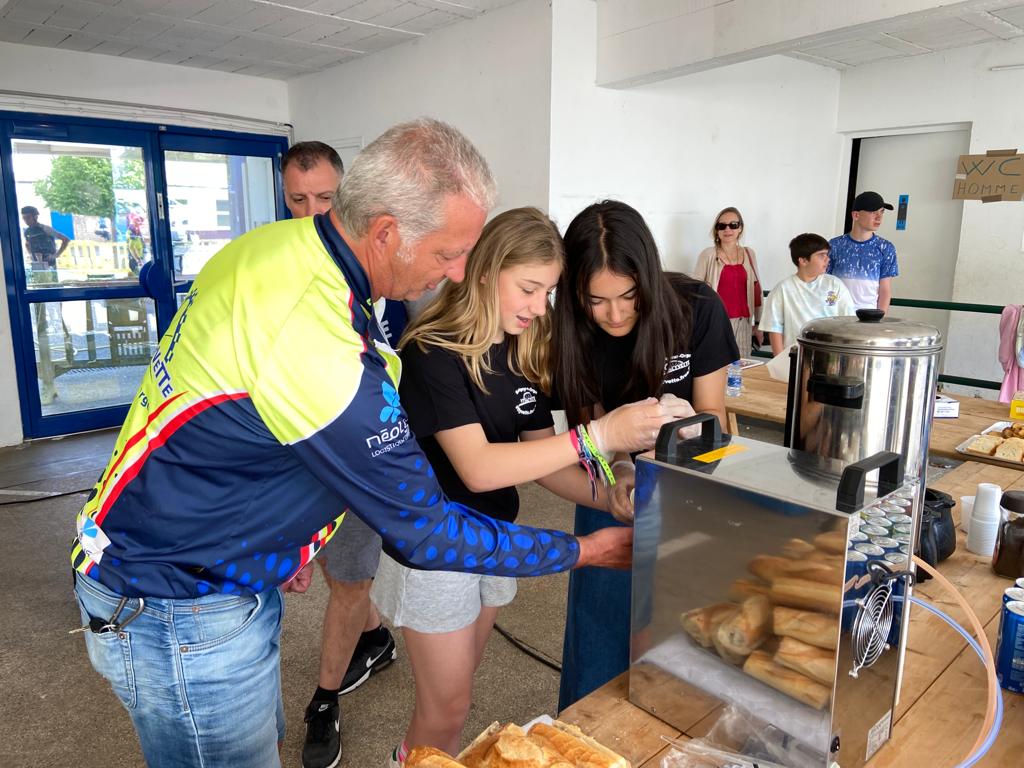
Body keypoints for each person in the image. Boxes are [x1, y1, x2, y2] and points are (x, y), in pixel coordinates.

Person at [70, 120, 671, 768]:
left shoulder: (277, 250)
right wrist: (583, 548)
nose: (459, 271)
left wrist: (291, 533)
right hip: (178, 598)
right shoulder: (321, 340)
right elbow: (428, 530)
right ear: (385, 232)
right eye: (449, 253)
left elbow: (251, 416)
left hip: (213, 567)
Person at [372, 207, 686, 767]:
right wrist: (600, 434)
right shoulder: (433, 352)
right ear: (485, 271)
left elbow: (542, 462)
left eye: (549, 293)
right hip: (434, 550)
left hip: (495, 539)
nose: (540, 307)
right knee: (445, 709)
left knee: (458, 691)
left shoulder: (522, 349)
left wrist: (611, 495)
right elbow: (479, 468)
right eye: (528, 289)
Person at [553, 199, 739, 710]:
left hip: (689, 487)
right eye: (596, 300)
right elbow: (589, 432)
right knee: (600, 631)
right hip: (612, 490)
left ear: (648, 279)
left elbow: (714, 416)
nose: (614, 314)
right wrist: (618, 472)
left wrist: (683, 429)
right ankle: (582, 729)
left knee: (685, 633)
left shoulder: (695, 306)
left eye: (629, 296)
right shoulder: (570, 331)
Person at [279, 141, 403, 768]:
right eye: (297, 199)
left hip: (364, 459)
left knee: (349, 579)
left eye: (324, 198)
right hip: (300, 451)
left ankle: (323, 701)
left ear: (347, 194)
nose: (310, 213)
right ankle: (375, 638)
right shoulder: (281, 269)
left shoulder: (392, 275)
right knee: (336, 576)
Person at [758, 233, 856, 354]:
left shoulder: (835, 284)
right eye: (821, 255)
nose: (827, 259)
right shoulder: (782, 289)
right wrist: (779, 359)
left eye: (827, 254)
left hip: (829, 355)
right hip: (795, 356)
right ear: (803, 260)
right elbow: (774, 329)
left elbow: (848, 322)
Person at [694, 207, 763, 358]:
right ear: (716, 230)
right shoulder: (708, 254)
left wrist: (758, 323)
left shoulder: (749, 253)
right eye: (722, 226)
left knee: (741, 366)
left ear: (740, 228)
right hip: (716, 322)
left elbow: (756, 289)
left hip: (744, 323)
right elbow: (695, 290)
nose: (727, 229)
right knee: (717, 364)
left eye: (733, 225)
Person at [827, 191, 898, 313]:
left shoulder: (886, 248)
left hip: (868, 317)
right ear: (856, 215)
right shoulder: (834, 245)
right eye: (873, 212)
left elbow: (885, 291)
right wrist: (829, 312)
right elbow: (826, 283)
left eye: (881, 212)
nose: (879, 217)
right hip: (837, 315)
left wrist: (879, 318)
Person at [21, 204, 70, 272]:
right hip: (37, 265)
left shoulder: (45, 229)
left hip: (50, 265)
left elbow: (66, 240)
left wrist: (56, 255)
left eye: (28, 217)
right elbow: (27, 244)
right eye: (24, 218)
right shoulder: (27, 232)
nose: (26, 220)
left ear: (35, 217)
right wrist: (31, 255)